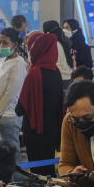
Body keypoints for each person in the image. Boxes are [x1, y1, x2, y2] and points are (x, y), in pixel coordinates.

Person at [16, 33, 63, 177]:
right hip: (51, 130)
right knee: (48, 171)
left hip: (35, 132)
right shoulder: (57, 72)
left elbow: (20, 109)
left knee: (37, 174)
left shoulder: (33, 74)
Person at [0, 28, 27, 176]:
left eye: (5, 43)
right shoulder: (1, 61)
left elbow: (11, 94)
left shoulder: (19, 64)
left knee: (12, 153)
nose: (1, 46)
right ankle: (8, 184)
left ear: (14, 45)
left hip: (9, 115)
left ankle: (19, 185)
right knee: (3, 154)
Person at [43, 20, 73, 85]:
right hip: (67, 78)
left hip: (59, 79)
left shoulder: (55, 44)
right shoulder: (62, 42)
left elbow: (51, 63)